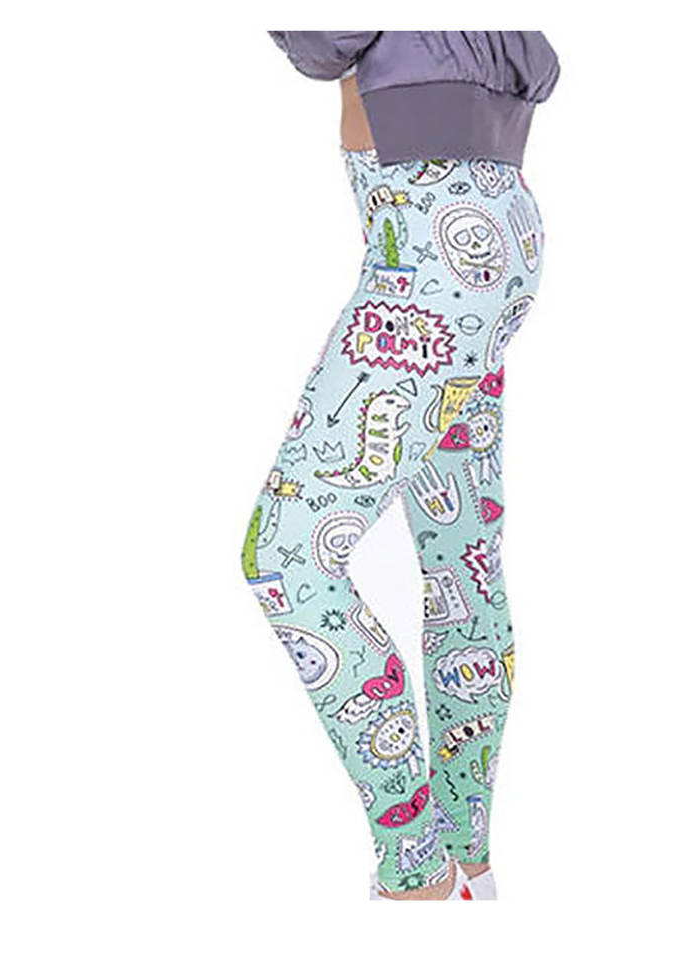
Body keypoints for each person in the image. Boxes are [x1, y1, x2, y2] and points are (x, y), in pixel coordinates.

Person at [244, 31, 560, 900]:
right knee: (462, 564)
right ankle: (467, 865)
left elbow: (324, 40)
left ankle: (417, 870)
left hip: (430, 259)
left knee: (287, 557)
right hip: (491, 230)